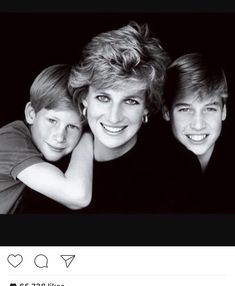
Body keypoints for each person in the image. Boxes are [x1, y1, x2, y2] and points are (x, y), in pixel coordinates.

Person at [65, 20, 171, 213]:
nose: (114, 117)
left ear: (147, 107)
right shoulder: (52, 164)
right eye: (103, 98)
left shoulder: (172, 174)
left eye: (131, 101)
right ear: (84, 99)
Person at [0, 64, 93, 214]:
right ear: (31, 113)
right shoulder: (10, 142)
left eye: (73, 126)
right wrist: (88, 136)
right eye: (52, 121)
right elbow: (77, 196)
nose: (60, 136)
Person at [161, 52, 235, 213]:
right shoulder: (148, 176)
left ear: (223, 112)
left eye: (209, 108)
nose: (198, 124)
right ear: (167, 112)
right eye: (185, 109)